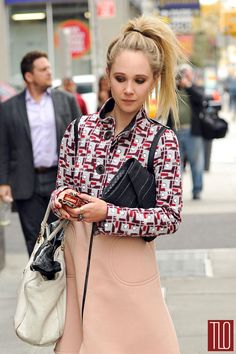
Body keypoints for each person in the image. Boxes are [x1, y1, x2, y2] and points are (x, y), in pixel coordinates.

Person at [51, 15, 183, 354]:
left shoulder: (161, 140)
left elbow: (170, 216)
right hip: (79, 269)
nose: (128, 89)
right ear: (107, 75)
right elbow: (59, 188)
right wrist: (63, 199)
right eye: (120, 78)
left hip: (130, 272)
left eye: (139, 80)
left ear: (154, 80)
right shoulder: (79, 130)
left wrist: (107, 212)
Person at [0, 51, 81, 255]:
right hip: (27, 182)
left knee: (62, 236)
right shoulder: (9, 108)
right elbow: (3, 147)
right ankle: (39, 285)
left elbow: (82, 138)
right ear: (29, 76)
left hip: (60, 179)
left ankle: (62, 282)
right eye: (43, 69)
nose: (49, 72)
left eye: (49, 68)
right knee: (34, 239)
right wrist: (3, 182)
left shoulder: (66, 101)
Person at [175, 64, 205, 200]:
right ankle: (176, 191)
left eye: (187, 75)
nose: (185, 78)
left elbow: (201, 99)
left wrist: (188, 85)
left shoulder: (194, 89)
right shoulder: (174, 90)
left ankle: (197, 190)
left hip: (192, 131)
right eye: (182, 75)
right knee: (176, 164)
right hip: (175, 130)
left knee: (196, 162)